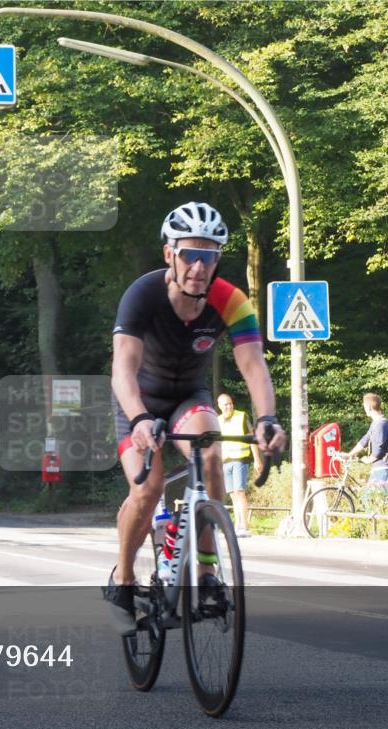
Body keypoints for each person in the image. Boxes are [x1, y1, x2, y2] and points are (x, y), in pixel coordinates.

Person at [106, 200, 286, 632]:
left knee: (208, 452)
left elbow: (253, 364)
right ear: (170, 253)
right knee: (146, 491)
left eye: (209, 256)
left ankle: (206, 572)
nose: (198, 267)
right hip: (138, 401)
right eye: (190, 254)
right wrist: (138, 419)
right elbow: (123, 368)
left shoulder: (230, 300)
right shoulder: (143, 294)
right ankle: (123, 580)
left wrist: (267, 418)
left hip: (190, 396)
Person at [216, 393, 264, 538]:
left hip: (240, 460)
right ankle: (238, 525)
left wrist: (257, 459)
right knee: (233, 494)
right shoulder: (217, 421)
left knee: (240, 491)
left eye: (230, 403)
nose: (229, 406)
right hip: (225, 461)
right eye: (225, 404)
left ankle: (245, 526)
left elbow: (252, 439)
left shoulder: (241, 416)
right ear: (220, 406)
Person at [339, 393, 388, 484]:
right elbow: (365, 440)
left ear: (369, 408)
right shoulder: (376, 423)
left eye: (364, 406)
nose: (364, 408)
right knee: (369, 497)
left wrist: (368, 460)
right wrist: (349, 454)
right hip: (380, 469)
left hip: (385, 469)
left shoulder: (381, 425)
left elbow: (378, 450)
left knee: (371, 498)